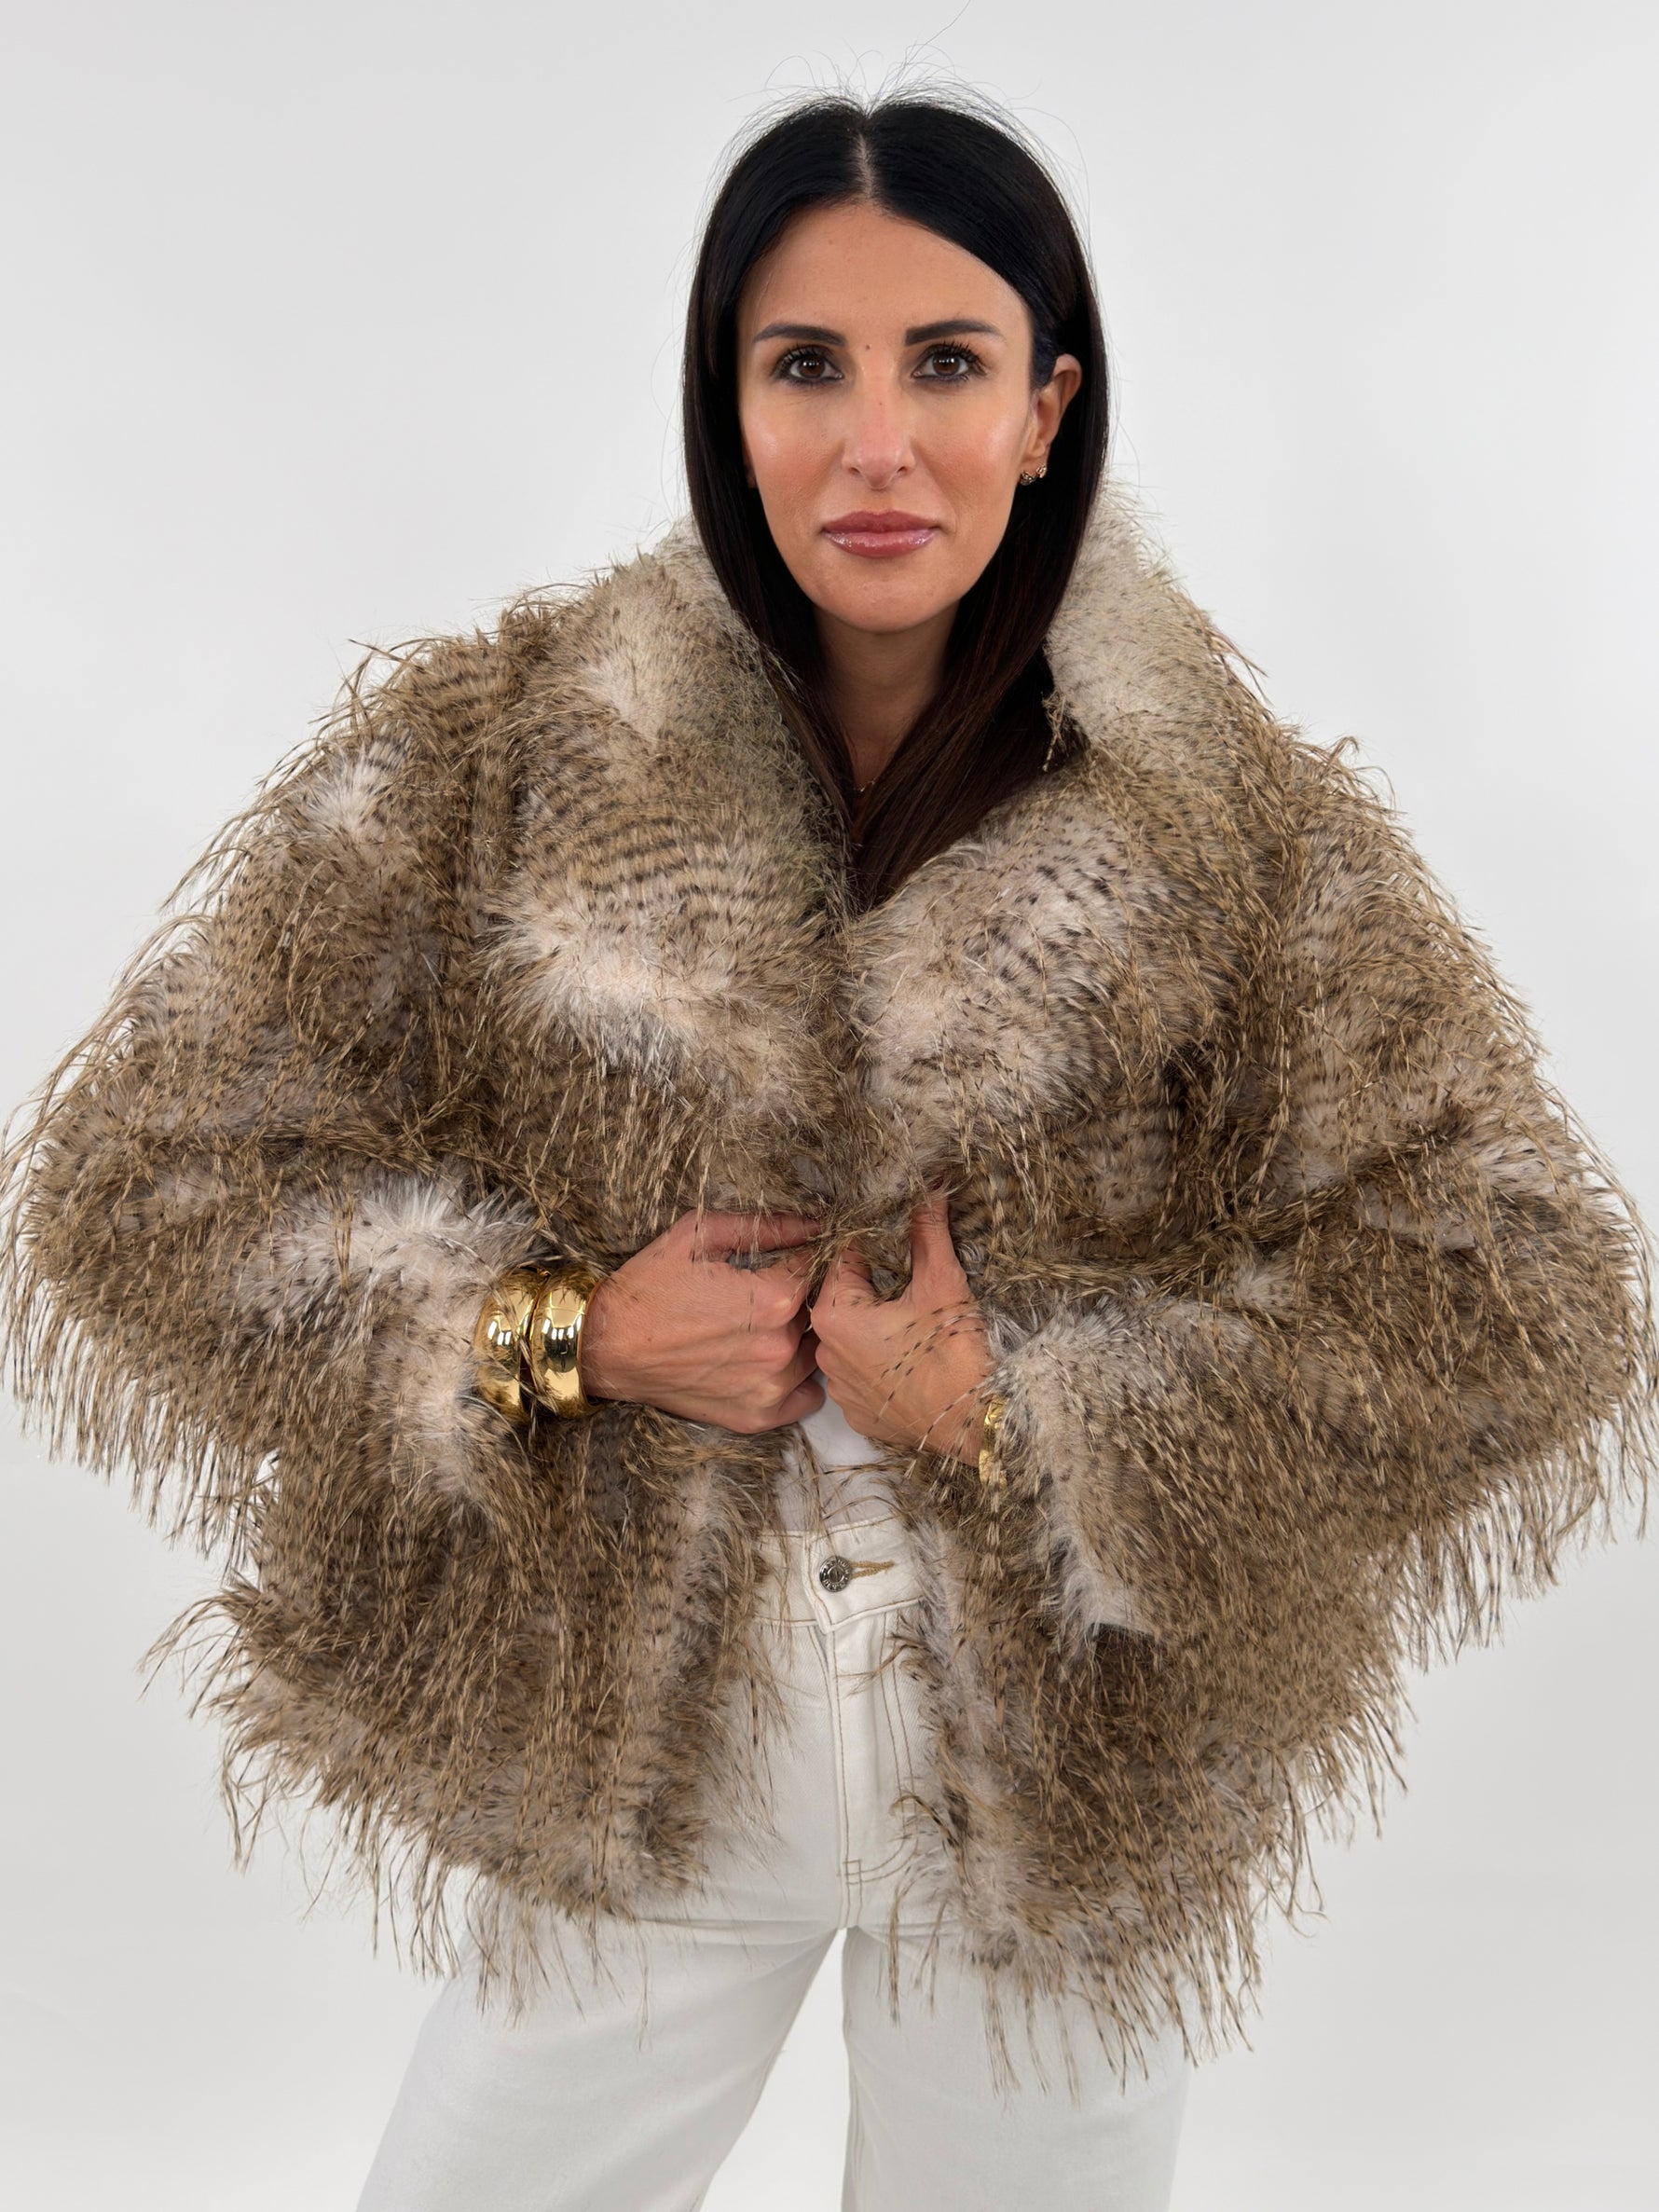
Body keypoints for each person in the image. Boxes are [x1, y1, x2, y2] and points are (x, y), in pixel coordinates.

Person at [2, 90, 1652, 2212]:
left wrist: (1025, 1410)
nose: (877, 445)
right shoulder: (503, 756)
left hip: (1060, 1788)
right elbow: (135, 1175)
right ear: (728, 403)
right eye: (806, 367)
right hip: (636, 1756)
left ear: (1045, 410)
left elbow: (1525, 1277)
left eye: (945, 363)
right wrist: (563, 1331)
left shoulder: (1227, 821)